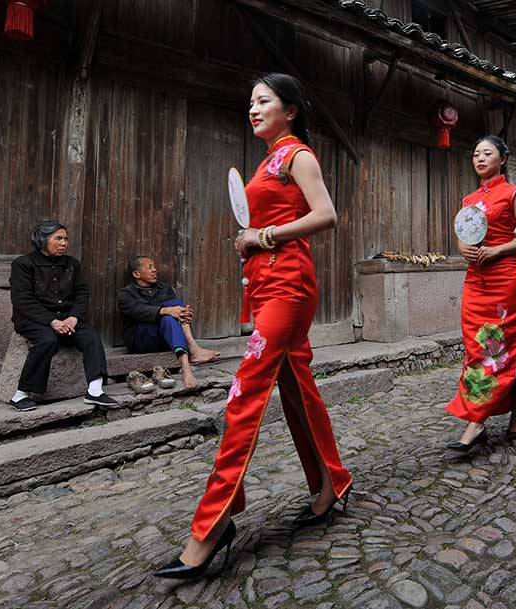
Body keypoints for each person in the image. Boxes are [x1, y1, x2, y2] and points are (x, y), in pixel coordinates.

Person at [152, 73, 352, 580]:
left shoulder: (298, 155)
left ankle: (212, 526)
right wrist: (250, 240)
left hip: (288, 287)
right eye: (250, 102)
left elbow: (326, 215)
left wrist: (262, 235)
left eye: (263, 101)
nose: (253, 108)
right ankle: (331, 481)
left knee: (243, 396)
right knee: (297, 388)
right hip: (265, 285)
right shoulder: (266, 162)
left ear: (290, 109)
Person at [444, 135, 516, 451]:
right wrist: (464, 249)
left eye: (487, 153)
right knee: (477, 346)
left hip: (505, 279)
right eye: (475, 154)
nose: (480, 158)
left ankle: (478, 421)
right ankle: (515, 410)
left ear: (503, 159)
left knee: (497, 347)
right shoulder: (468, 199)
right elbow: (461, 236)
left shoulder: (514, 194)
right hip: (476, 280)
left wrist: (496, 251)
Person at [8, 221, 117, 412]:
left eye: (65, 239)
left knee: (90, 336)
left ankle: (95, 390)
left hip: (67, 318)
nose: (64, 243)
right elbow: (22, 300)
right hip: (34, 319)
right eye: (58, 238)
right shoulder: (23, 264)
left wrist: (74, 317)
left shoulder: (72, 264)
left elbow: (82, 293)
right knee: (47, 341)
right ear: (42, 240)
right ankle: (21, 395)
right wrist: (52, 321)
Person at [117, 256, 220, 389]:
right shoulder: (125, 294)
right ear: (137, 274)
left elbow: (173, 312)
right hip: (141, 340)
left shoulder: (163, 288)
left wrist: (180, 312)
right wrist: (167, 310)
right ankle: (191, 352)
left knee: (173, 309)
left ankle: (188, 362)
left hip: (164, 338)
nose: (155, 270)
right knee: (169, 313)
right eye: (149, 267)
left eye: (154, 267)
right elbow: (139, 311)